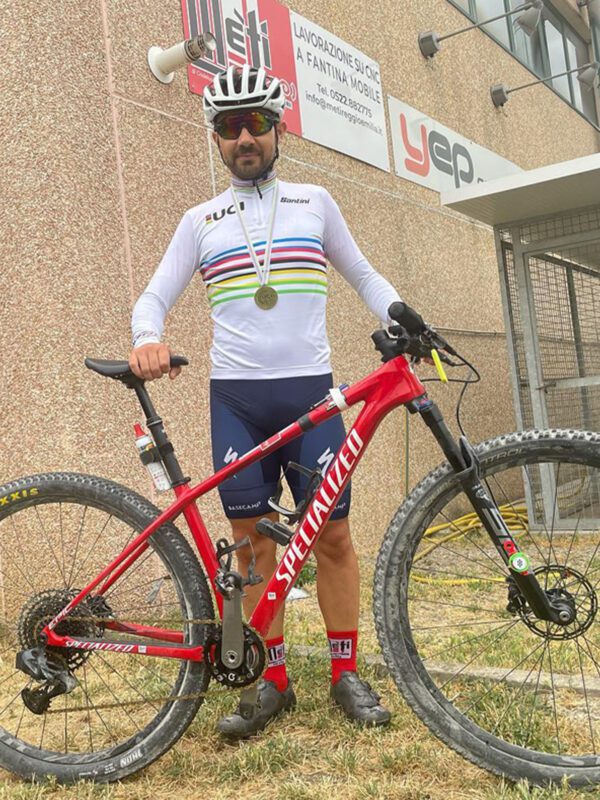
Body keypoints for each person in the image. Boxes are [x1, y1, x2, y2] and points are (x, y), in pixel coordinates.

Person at [129, 64, 401, 738]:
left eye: (255, 123)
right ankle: (272, 679)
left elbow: (364, 274)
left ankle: (345, 672)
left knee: (333, 536)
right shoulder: (200, 221)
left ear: (279, 129)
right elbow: (154, 295)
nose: (243, 137)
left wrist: (401, 315)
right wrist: (146, 339)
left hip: (313, 397)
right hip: (239, 405)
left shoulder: (315, 202)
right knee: (252, 548)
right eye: (229, 126)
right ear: (216, 138)